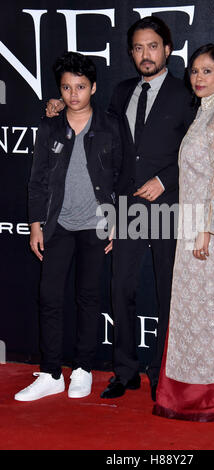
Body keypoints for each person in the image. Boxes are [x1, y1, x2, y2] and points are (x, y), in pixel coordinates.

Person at [45, 17, 196, 402]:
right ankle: (124, 371)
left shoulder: (185, 94)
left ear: (168, 49)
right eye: (138, 47)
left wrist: (165, 181)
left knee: (166, 291)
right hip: (127, 206)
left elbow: (198, 155)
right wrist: (60, 104)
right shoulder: (120, 92)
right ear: (131, 53)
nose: (145, 54)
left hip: (167, 205)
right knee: (121, 289)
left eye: (153, 46)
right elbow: (98, 132)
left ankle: (161, 373)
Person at [14, 52, 121, 402]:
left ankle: (83, 369)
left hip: (95, 226)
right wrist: (35, 225)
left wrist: (118, 220)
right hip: (57, 224)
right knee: (49, 297)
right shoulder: (50, 127)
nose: (73, 94)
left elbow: (121, 178)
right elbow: (37, 182)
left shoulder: (110, 126)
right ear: (59, 91)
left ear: (92, 88)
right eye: (66, 87)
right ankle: (50, 373)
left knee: (89, 298)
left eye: (80, 86)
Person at [152, 44, 214, 422]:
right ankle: (189, 392)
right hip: (193, 221)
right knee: (193, 311)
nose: (198, 78)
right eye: (194, 71)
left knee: (211, 310)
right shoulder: (203, 114)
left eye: (207, 71)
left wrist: (207, 231)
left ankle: (210, 398)